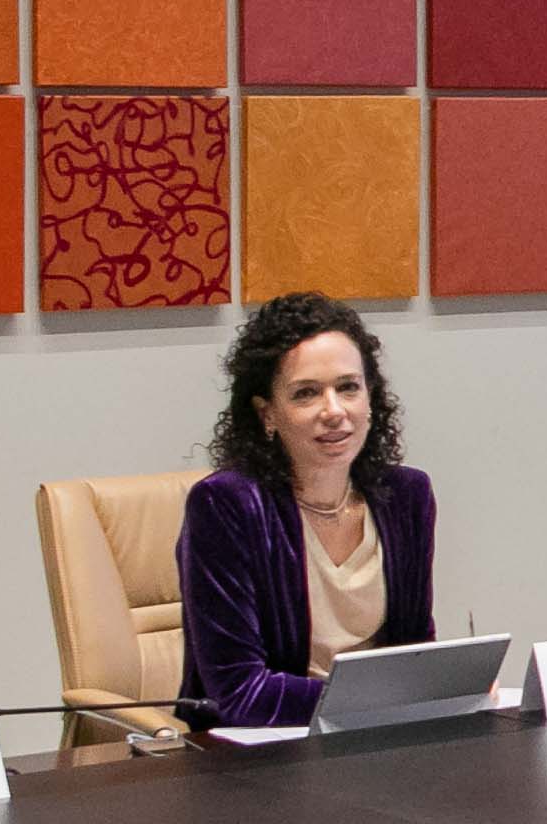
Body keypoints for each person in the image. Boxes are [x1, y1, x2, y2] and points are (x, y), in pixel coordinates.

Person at [177, 292, 436, 726]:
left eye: (348, 387)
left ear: (371, 399)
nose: (334, 411)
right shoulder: (227, 505)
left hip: (380, 745)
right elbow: (241, 692)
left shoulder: (406, 495)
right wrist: (384, 701)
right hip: (261, 757)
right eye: (306, 394)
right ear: (267, 415)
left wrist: (447, 684)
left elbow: (414, 653)